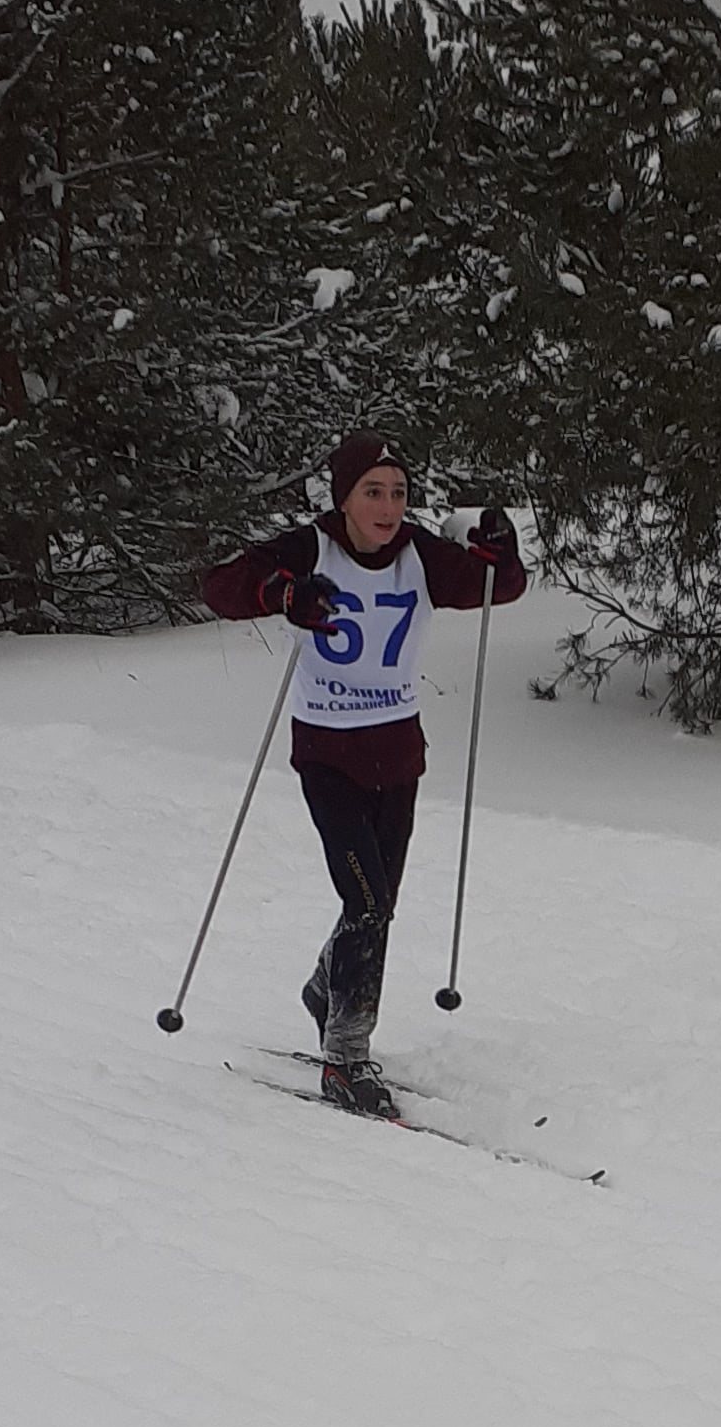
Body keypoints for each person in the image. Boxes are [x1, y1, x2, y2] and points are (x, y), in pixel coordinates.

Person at [201, 433, 523, 1115]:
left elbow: (498, 585)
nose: (387, 506)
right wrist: (283, 593)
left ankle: (326, 989)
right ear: (342, 497)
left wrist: (501, 552)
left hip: (399, 753)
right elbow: (221, 589)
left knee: (377, 906)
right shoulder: (309, 550)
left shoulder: (420, 556)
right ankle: (345, 1056)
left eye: (398, 493)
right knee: (368, 903)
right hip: (329, 754)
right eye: (372, 491)